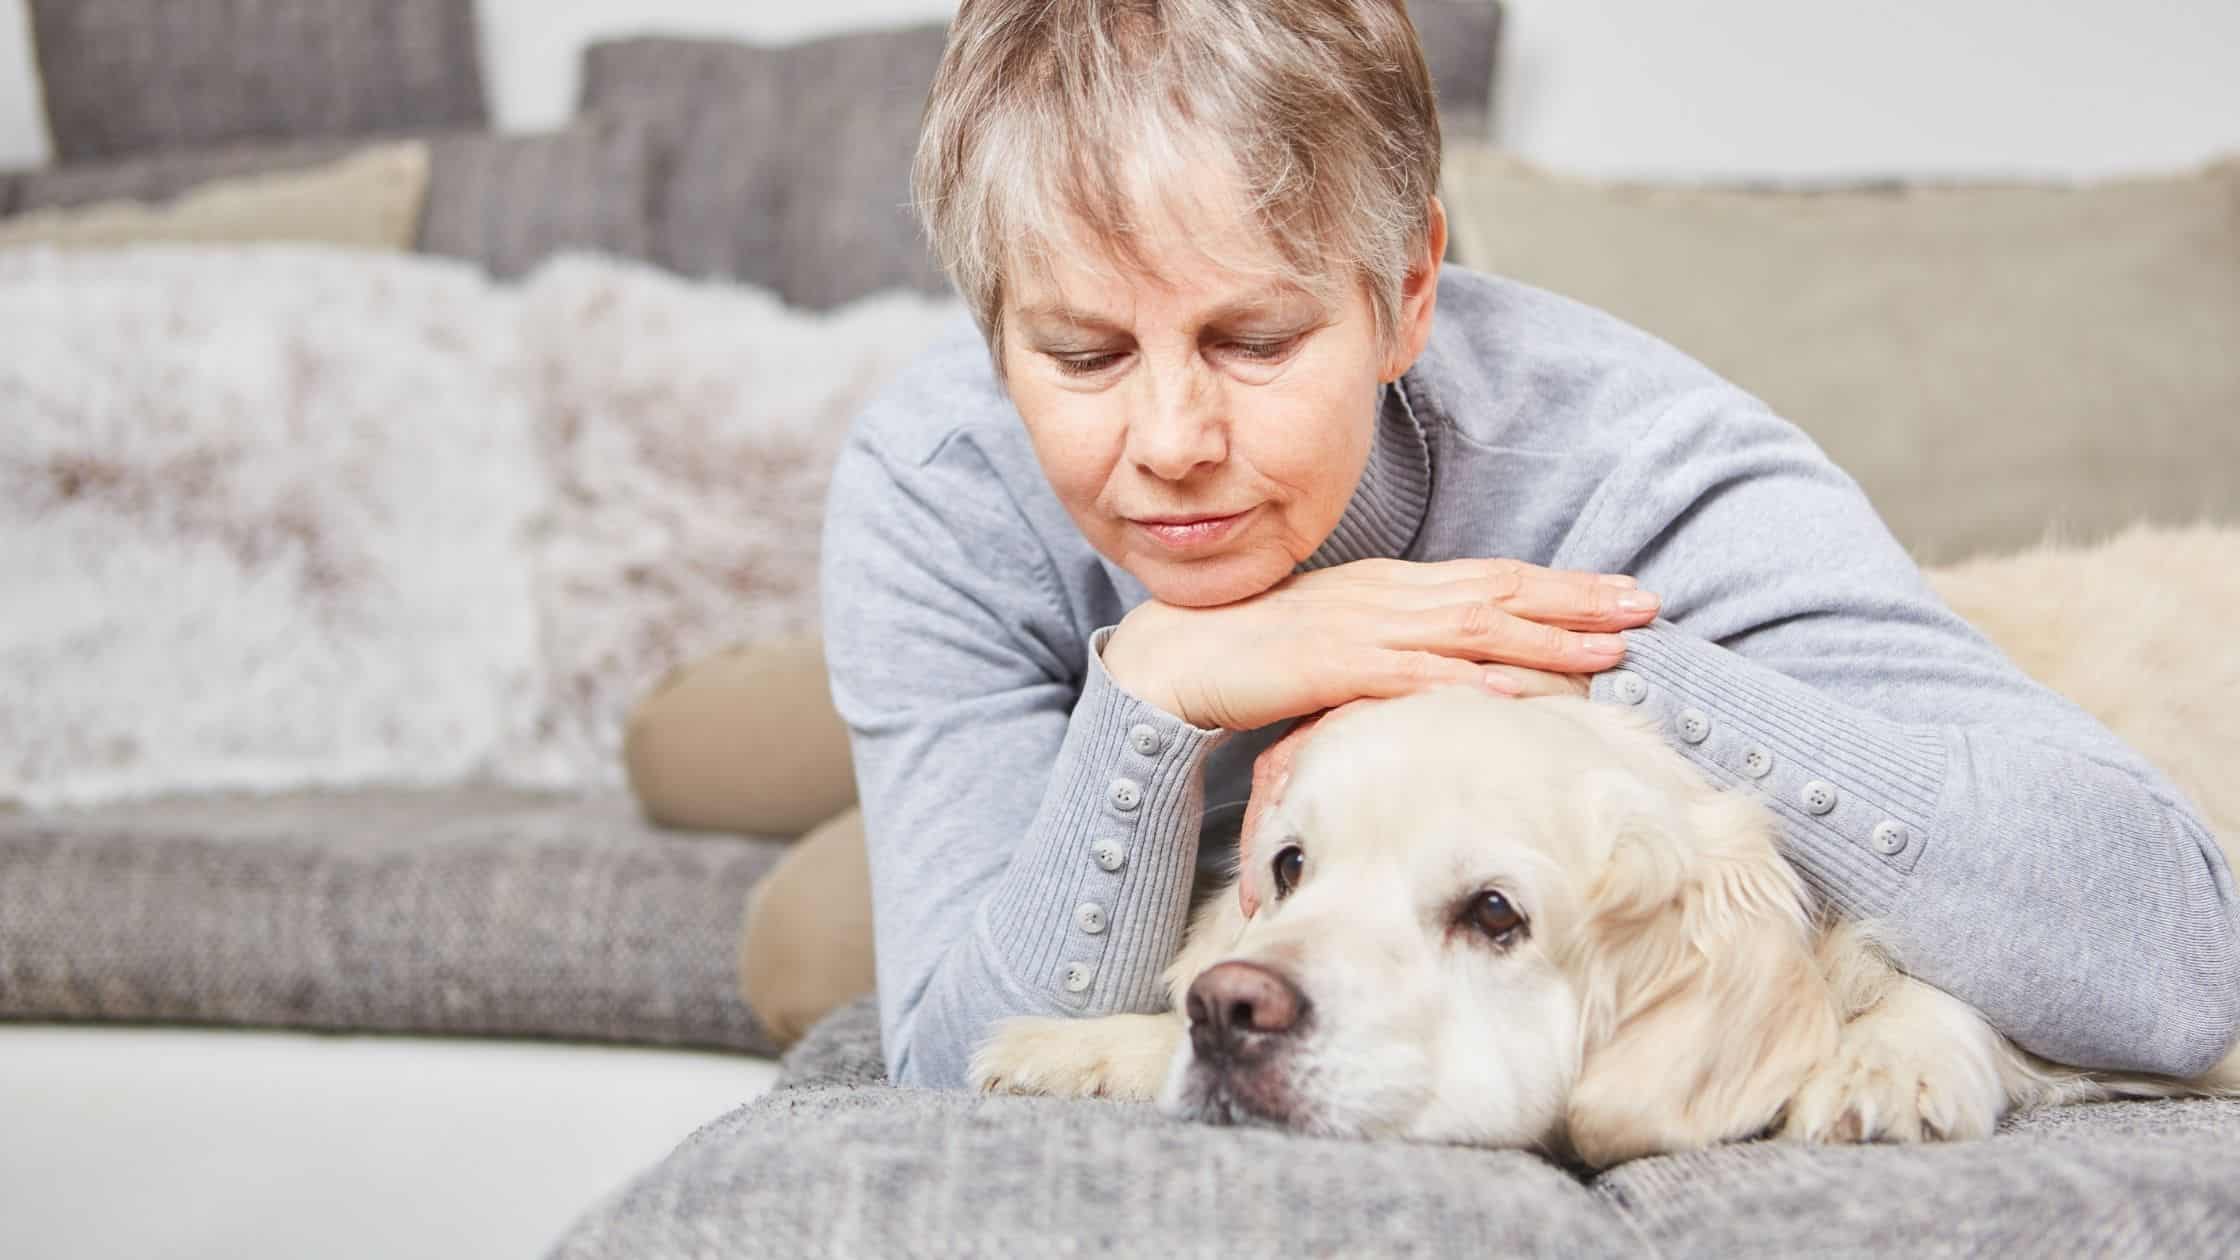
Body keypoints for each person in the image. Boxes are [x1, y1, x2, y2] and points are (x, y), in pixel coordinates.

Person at [807, 0, 2238, 1089]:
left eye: (1256, 340)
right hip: (1055, 722)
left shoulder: (1648, 464)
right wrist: (1153, 693)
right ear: (994, 334)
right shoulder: (939, 479)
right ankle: (781, 720)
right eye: (1084, 354)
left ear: (1409, 290)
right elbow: (955, 1056)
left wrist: (1510, 669)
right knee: (802, 924)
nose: (1172, 438)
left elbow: (2177, 953)